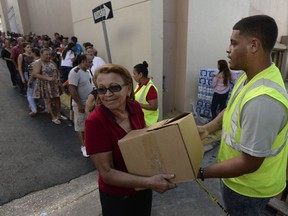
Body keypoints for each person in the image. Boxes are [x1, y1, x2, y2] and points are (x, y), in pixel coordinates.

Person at [197, 15, 288, 216]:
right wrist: (207, 128)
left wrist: (201, 172)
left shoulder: (263, 101)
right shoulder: (249, 77)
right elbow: (231, 109)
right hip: (236, 179)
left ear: (253, 45)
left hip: (248, 189)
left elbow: (250, 162)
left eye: (233, 43)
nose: (228, 49)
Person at [85, 64, 176, 216]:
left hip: (142, 187)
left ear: (128, 88)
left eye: (114, 87)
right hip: (118, 197)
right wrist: (150, 182)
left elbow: (145, 137)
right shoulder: (95, 122)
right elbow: (106, 173)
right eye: (101, 89)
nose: (108, 94)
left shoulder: (134, 107)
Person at [68, 54, 93, 157]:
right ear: (83, 61)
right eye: (90, 62)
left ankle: (90, 143)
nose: (91, 64)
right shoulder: (75, 72)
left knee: (88, 125)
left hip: (89, 104)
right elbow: (72, 89)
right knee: (81, 126)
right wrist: (79, 104)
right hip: (81, 104)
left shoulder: (87, 71)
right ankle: (84, 147)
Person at [32, 48, 63, 124]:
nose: (48, 56)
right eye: (46, 54)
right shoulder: (38, 62)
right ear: (41, 54)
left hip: (54, 84)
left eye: (49, 54)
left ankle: (59, 114)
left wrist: (58, 79)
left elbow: (57, 71)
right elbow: (35, 74)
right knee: (49, 101)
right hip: (45, 85)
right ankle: (53, 117)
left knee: (57, 99)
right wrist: (47, 78)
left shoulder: (51, 61)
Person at [132, 61, 159, 126]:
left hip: (148, 122)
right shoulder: (139, 85)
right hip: (141, 120)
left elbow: (154, 107)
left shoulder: (150, 88)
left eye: (134, 74)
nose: (133, 76)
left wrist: (137, 104)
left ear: (140, 75)